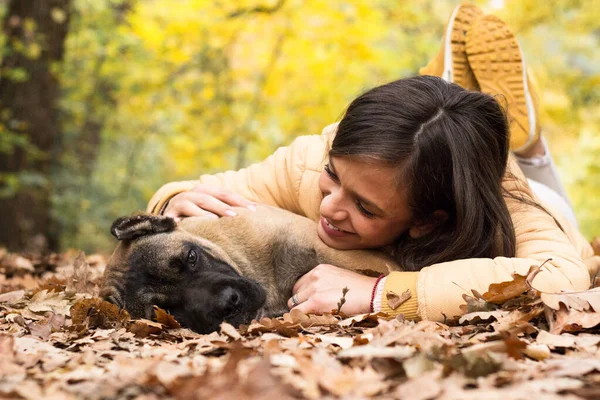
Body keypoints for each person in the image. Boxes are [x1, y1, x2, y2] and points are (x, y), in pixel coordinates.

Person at [146, 4, 599, 321]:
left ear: (426, 221)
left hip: (533, 198)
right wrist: (174, 199)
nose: (329, 207)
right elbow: (207, 193)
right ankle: (450, 102)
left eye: (365, 207)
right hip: (430, 164)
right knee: (423, 139)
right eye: (333, 177)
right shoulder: (313, 157)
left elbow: (560, 277)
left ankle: (529, 148)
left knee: (552, 202)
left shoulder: (506, 204)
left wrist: (383, 295)